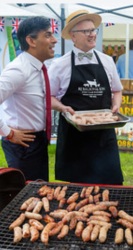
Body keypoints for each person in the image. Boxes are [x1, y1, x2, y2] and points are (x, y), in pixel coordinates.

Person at [0, 17, 57, 181]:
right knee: (27, 197)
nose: (54, 40)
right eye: (47, 35)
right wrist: (8, 133)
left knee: (39, 190)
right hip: (23, 145)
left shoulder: (38, 66)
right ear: (31, 40)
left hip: (37, 141)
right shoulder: (19, 69)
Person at [48, 10, 124, 185]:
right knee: (76, 189)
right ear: (73, 36)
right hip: (75, 137)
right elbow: (48, 97)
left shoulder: (107, 61)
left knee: (110, 186)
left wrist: (116, 105)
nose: (92, 34)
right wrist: (62, 108)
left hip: (104, 135)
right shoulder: (59, 65)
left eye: (93, 30)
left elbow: (117, 90)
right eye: (86, 31)